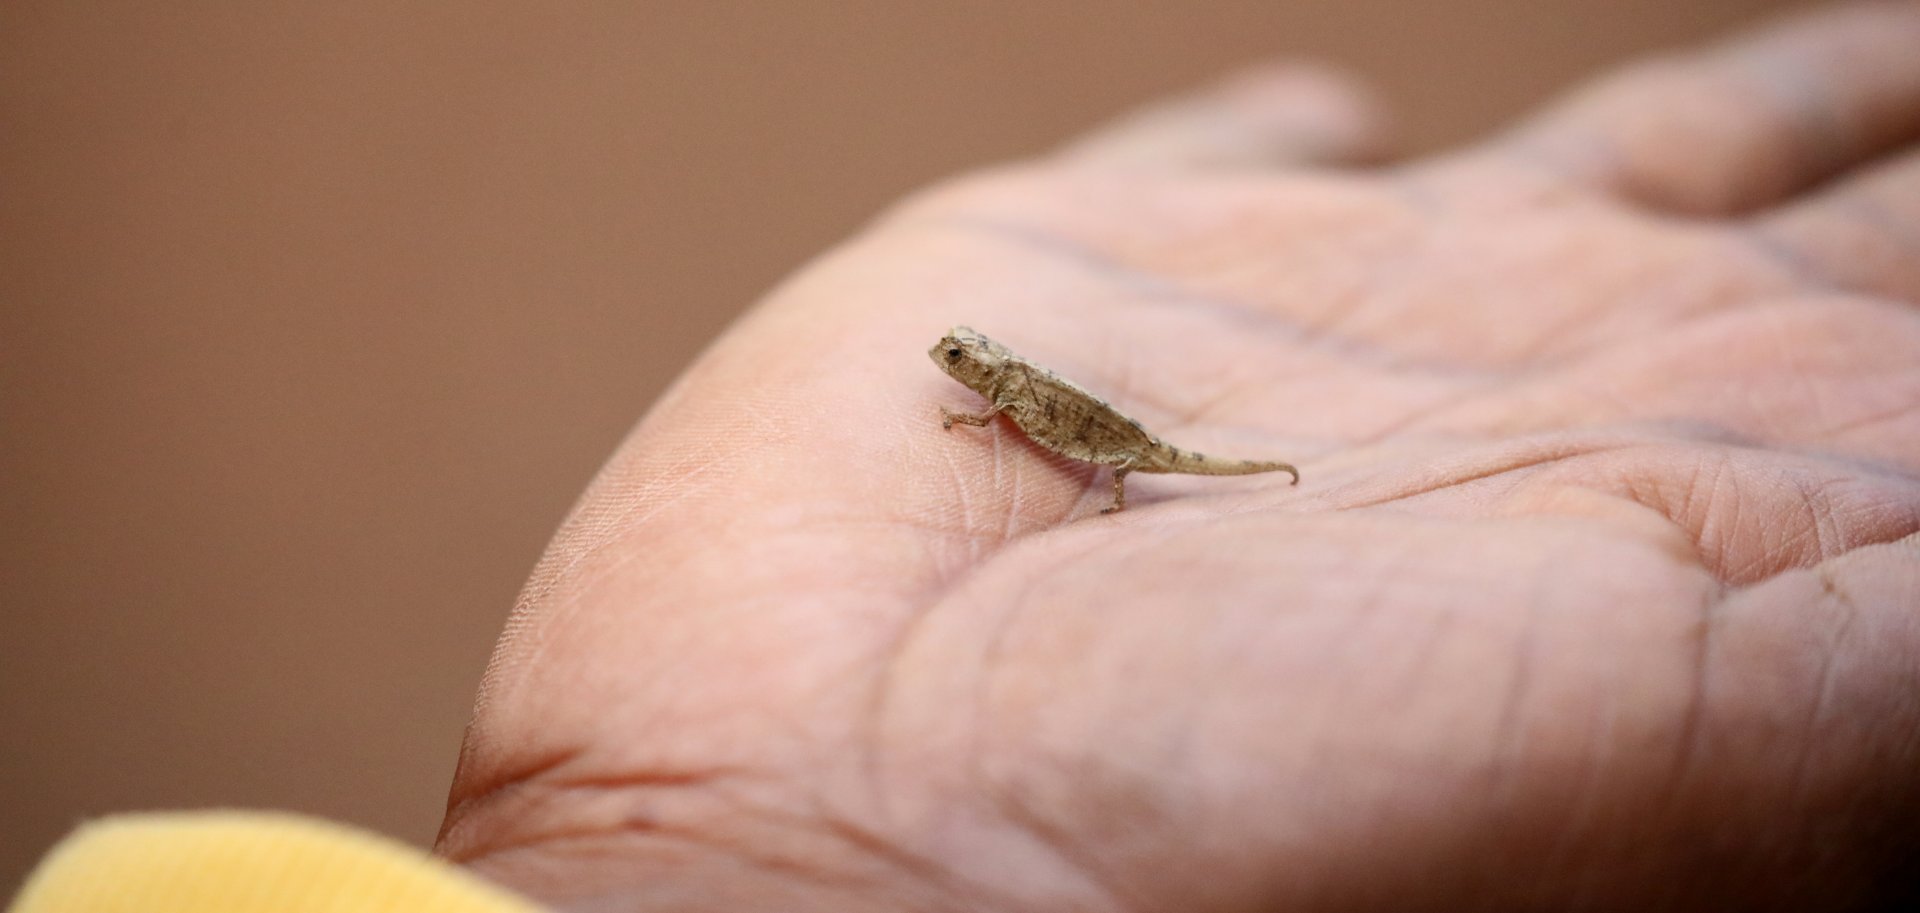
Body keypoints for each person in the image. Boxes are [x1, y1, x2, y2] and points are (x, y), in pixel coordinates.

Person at [15, 2, 1920, 911]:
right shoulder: (991, 388)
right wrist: (797, 849)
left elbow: (1055, 423)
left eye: (961, 362)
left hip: (1126, 447)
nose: (956, 376)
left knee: (1165, 460)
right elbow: (1006, 401)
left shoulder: (1025, 398)